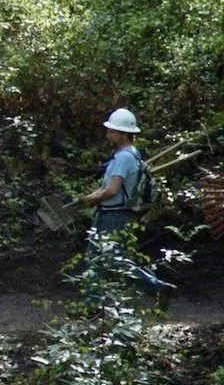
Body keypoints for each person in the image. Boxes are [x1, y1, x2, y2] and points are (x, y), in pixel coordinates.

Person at [74, 108, 173, 306]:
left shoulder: (123, 158)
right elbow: (109, 188)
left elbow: (112, 190)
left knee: (110, 260)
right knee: (95, 259)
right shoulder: (131, 155)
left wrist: (91, 200)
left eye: (112, 131)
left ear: (123, 134)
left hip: (114, 215)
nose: (108, 134)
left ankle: (156, 287)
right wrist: (89, 197)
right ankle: (91, 305)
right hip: (115, 213)